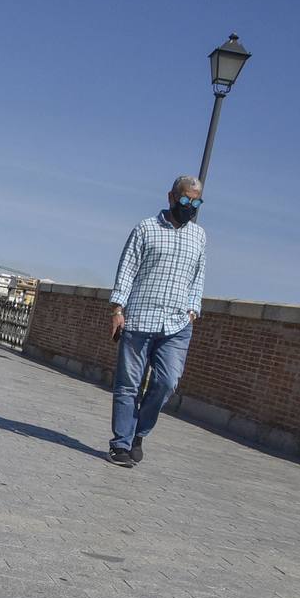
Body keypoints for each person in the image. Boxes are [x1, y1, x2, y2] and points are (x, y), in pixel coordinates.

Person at [106, 174, 207, 467]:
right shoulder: (145, 228)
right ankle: (120, 444)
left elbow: (198, 277)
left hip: (177, 324)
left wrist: (193, 310)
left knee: (166, 382)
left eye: (196, 202)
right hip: (139, 318)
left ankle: (139, 432)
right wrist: (117, 310)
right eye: (185, 199)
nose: (189, 206)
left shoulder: (199, 236)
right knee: (128, 385)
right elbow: (127, 270)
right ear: (172, 197)